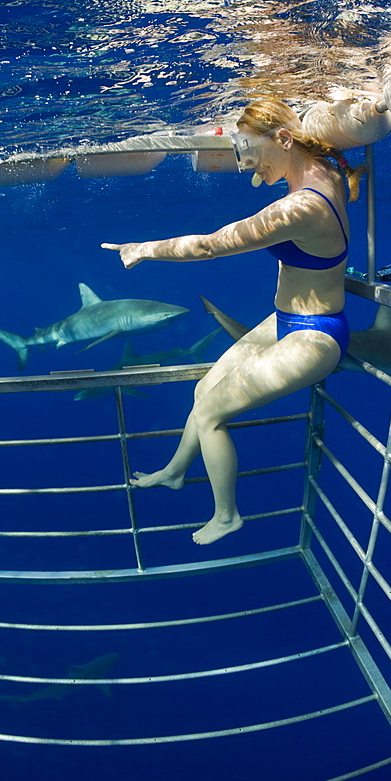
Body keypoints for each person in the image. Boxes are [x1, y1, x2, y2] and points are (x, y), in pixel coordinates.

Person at [102, 97, 363, 545]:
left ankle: (227, 516)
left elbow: (209, 246)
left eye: (249, 150)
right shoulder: (322, 172)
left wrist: (143, 248)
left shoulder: (301, 207)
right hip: (285, 318)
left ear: (283, 139)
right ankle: (175, 471)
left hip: (315, 336)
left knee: (209, 416)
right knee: (203, 390)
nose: (245, 165)